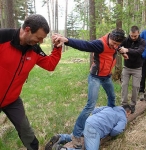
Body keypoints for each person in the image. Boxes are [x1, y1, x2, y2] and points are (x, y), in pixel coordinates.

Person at [51, 29, 126, 149]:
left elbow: (119, 47)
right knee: (90, 105)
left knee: (112, 97)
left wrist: (123, 52)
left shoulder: (117, 43)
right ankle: (76, 134)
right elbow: (85, 45)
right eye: (114, 43)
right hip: (95, 77)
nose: (116, 46)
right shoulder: (100, 44)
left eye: (118, 44)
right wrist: (67, 41)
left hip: (106, 77)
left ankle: (108, 118)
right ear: (109, 37)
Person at [0, 14, 62, 150]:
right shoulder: (3, 37)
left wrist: (57, 48)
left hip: (12, 100)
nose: (40, 42)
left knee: (27, 133)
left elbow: (50, 64)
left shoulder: (34, 49)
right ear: (27, 29)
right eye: (38, 38)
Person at [45, 105, 132, 150]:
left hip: (88, 121)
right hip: (95, 129)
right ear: (128, 112)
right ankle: (63, 149)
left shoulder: (110, 107)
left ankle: (61, 137)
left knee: (76, 138)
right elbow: (116, 130)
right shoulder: (123, 117)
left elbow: (95, 110)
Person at [118, 26, 146, 113]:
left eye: (135, 36)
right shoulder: (125, 40)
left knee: (135, 87)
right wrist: (122, 53)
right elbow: (118, 46)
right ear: (129, 34)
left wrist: (127, 50)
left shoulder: (142, 41)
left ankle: (133, 104)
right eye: (132, 36)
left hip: (137, 68)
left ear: (138, 34)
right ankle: (124, 104)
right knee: (124, 85)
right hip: (127, 67)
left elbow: (138, 52)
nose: (133, 38)